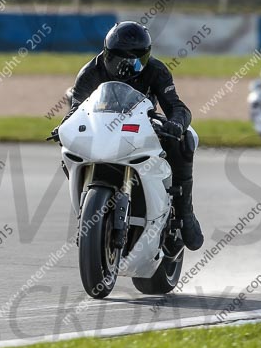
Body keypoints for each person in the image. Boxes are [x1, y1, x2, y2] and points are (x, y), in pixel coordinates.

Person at [54, 21, 204, 251]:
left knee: (185, 139)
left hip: (142, 125)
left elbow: (177, 107)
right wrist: (63, 127)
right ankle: (84, 215)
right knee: (69, 148)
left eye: (137, 59)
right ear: (106, 54)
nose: (129, 66)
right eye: (121, 59)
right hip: (101, 128)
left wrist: (175, 124)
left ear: (147, 57)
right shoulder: (90, 71)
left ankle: (184, 213)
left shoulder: (156, 70)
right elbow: (75, 108)